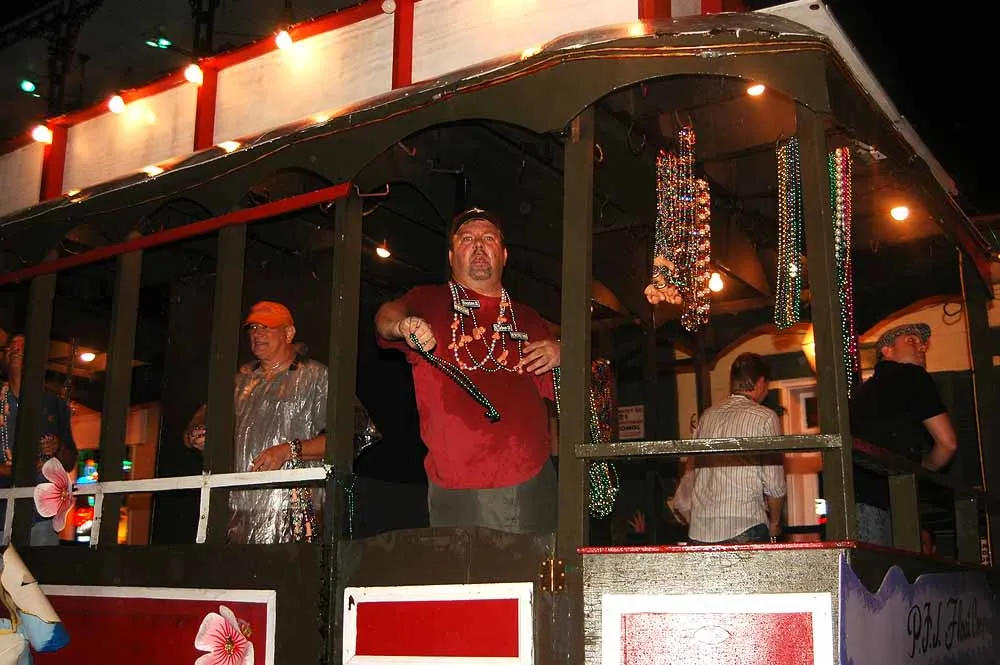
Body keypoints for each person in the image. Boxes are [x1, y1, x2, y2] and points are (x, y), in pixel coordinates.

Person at [374, 208, 562, 534]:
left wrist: (563, 352)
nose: (477, 245)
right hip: (455, 484)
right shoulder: (427, 300)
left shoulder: (528, 318)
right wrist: (401, 326)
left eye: (488, 238)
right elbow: (385, 316)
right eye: (466, 239)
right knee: (461, 568)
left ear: (504, 255)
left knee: (538, 568)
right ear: (451, 256)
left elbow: (566, 397)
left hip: (529, 477)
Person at [184, 301, 328, 544]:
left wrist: (287, 451)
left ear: (289, 333)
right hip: (239, 513)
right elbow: (196, 424)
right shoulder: (239, 382)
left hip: (295, 513)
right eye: (253, 328)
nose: (257, 333)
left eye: (267, 327)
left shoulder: (316, 376)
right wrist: (197, 434)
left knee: (287, 568)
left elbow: (348, 439)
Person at [849, 322, 958, 545]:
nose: (921, 347)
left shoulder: (861, 392)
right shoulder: (914, 376)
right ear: (886, 350)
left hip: (856, 499)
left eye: (922, 343)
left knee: (871, 566)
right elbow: (948, 443)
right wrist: (924, 468)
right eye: (911, 341)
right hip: (897, 498)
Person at [687, 352, 786, 545]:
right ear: (760, 383)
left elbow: (695, 470)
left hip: (701, 528)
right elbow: (774, 484)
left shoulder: (707, 416)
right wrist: (774, 523)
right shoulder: (765, 417)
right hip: (744, 524)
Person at [0, 330, 78, 546]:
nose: (15, 350)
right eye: (11, 347)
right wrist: (17, 470)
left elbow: (70, 462)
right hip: (1, 514)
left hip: (40, 520)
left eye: (22, 347)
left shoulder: (55, 405)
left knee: (39, 567)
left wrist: (58, 447)